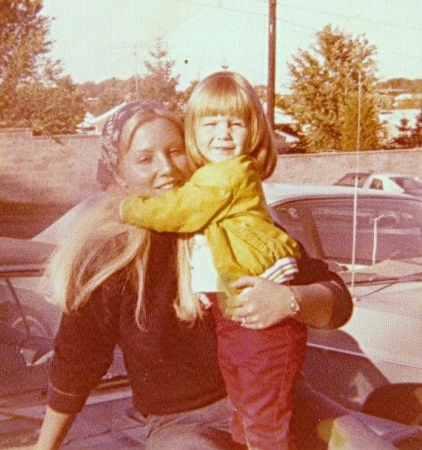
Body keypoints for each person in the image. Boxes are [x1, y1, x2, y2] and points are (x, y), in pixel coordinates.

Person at [32, 99, 353, 450]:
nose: (166, 168)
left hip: (281, 399)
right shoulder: (108, 257)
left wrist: (291, 300)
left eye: (175, 151)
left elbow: (338, 303)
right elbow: (77, 360)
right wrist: (45, 446)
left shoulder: (240, 223)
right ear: (119, 172)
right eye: (145, 158)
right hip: (181, 424)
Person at [119, 72, 304, 449]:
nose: (224, 133)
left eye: (236, 123)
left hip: (257, 324)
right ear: (193, 129)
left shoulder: (227, 174)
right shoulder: (210, 176)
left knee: (263, 420)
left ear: (253, 131)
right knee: (245, 409)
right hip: (234, 319)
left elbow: (181, 211)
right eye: (211, 123)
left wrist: (129, 206)